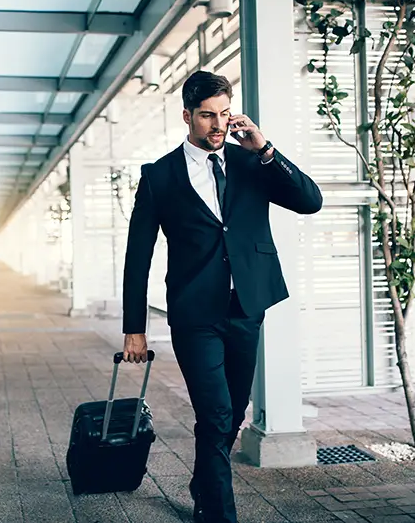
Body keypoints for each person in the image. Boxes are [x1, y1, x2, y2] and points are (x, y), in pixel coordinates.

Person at [119, 70, 323, 523]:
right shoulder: (159, 176)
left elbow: (311, 201)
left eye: (224, 114)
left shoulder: (253, 161)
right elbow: (138, 255)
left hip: (245, 306)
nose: (217, 125)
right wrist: (135, 328)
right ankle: (217, 513)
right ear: (187, 116)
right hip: (195, 312)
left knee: (233, 413)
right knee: (215, 414)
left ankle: (202, 482)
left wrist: (266, 149)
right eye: (208, 116)